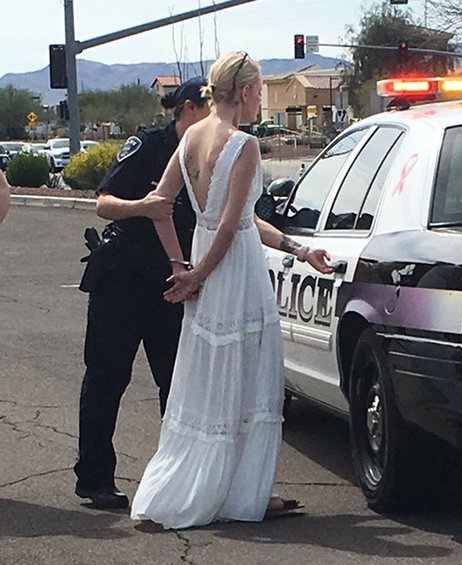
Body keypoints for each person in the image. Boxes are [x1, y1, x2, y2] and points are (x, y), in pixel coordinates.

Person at [130, 51, 333, 529]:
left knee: (211, 377)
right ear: (244, 92)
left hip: (208, 261)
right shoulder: (243, 144)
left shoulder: (190, 137)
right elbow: (230, 227)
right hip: (233, 271)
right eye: (259, 91)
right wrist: (196, 274)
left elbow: (165, 205)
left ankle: (219, 486)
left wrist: (184, 265)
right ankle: (239, 492)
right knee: (246, 375)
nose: (260, 99)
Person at [74, 78, 211, 509]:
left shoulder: (211, 152)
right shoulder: (148, 145)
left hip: (171, 284)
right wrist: (142, 208)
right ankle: (95, 478)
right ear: (189, 108)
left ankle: (176, 478)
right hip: (123, 278)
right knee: (107, 378)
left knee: (176, 383)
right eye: (210, 105)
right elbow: (104, 202)